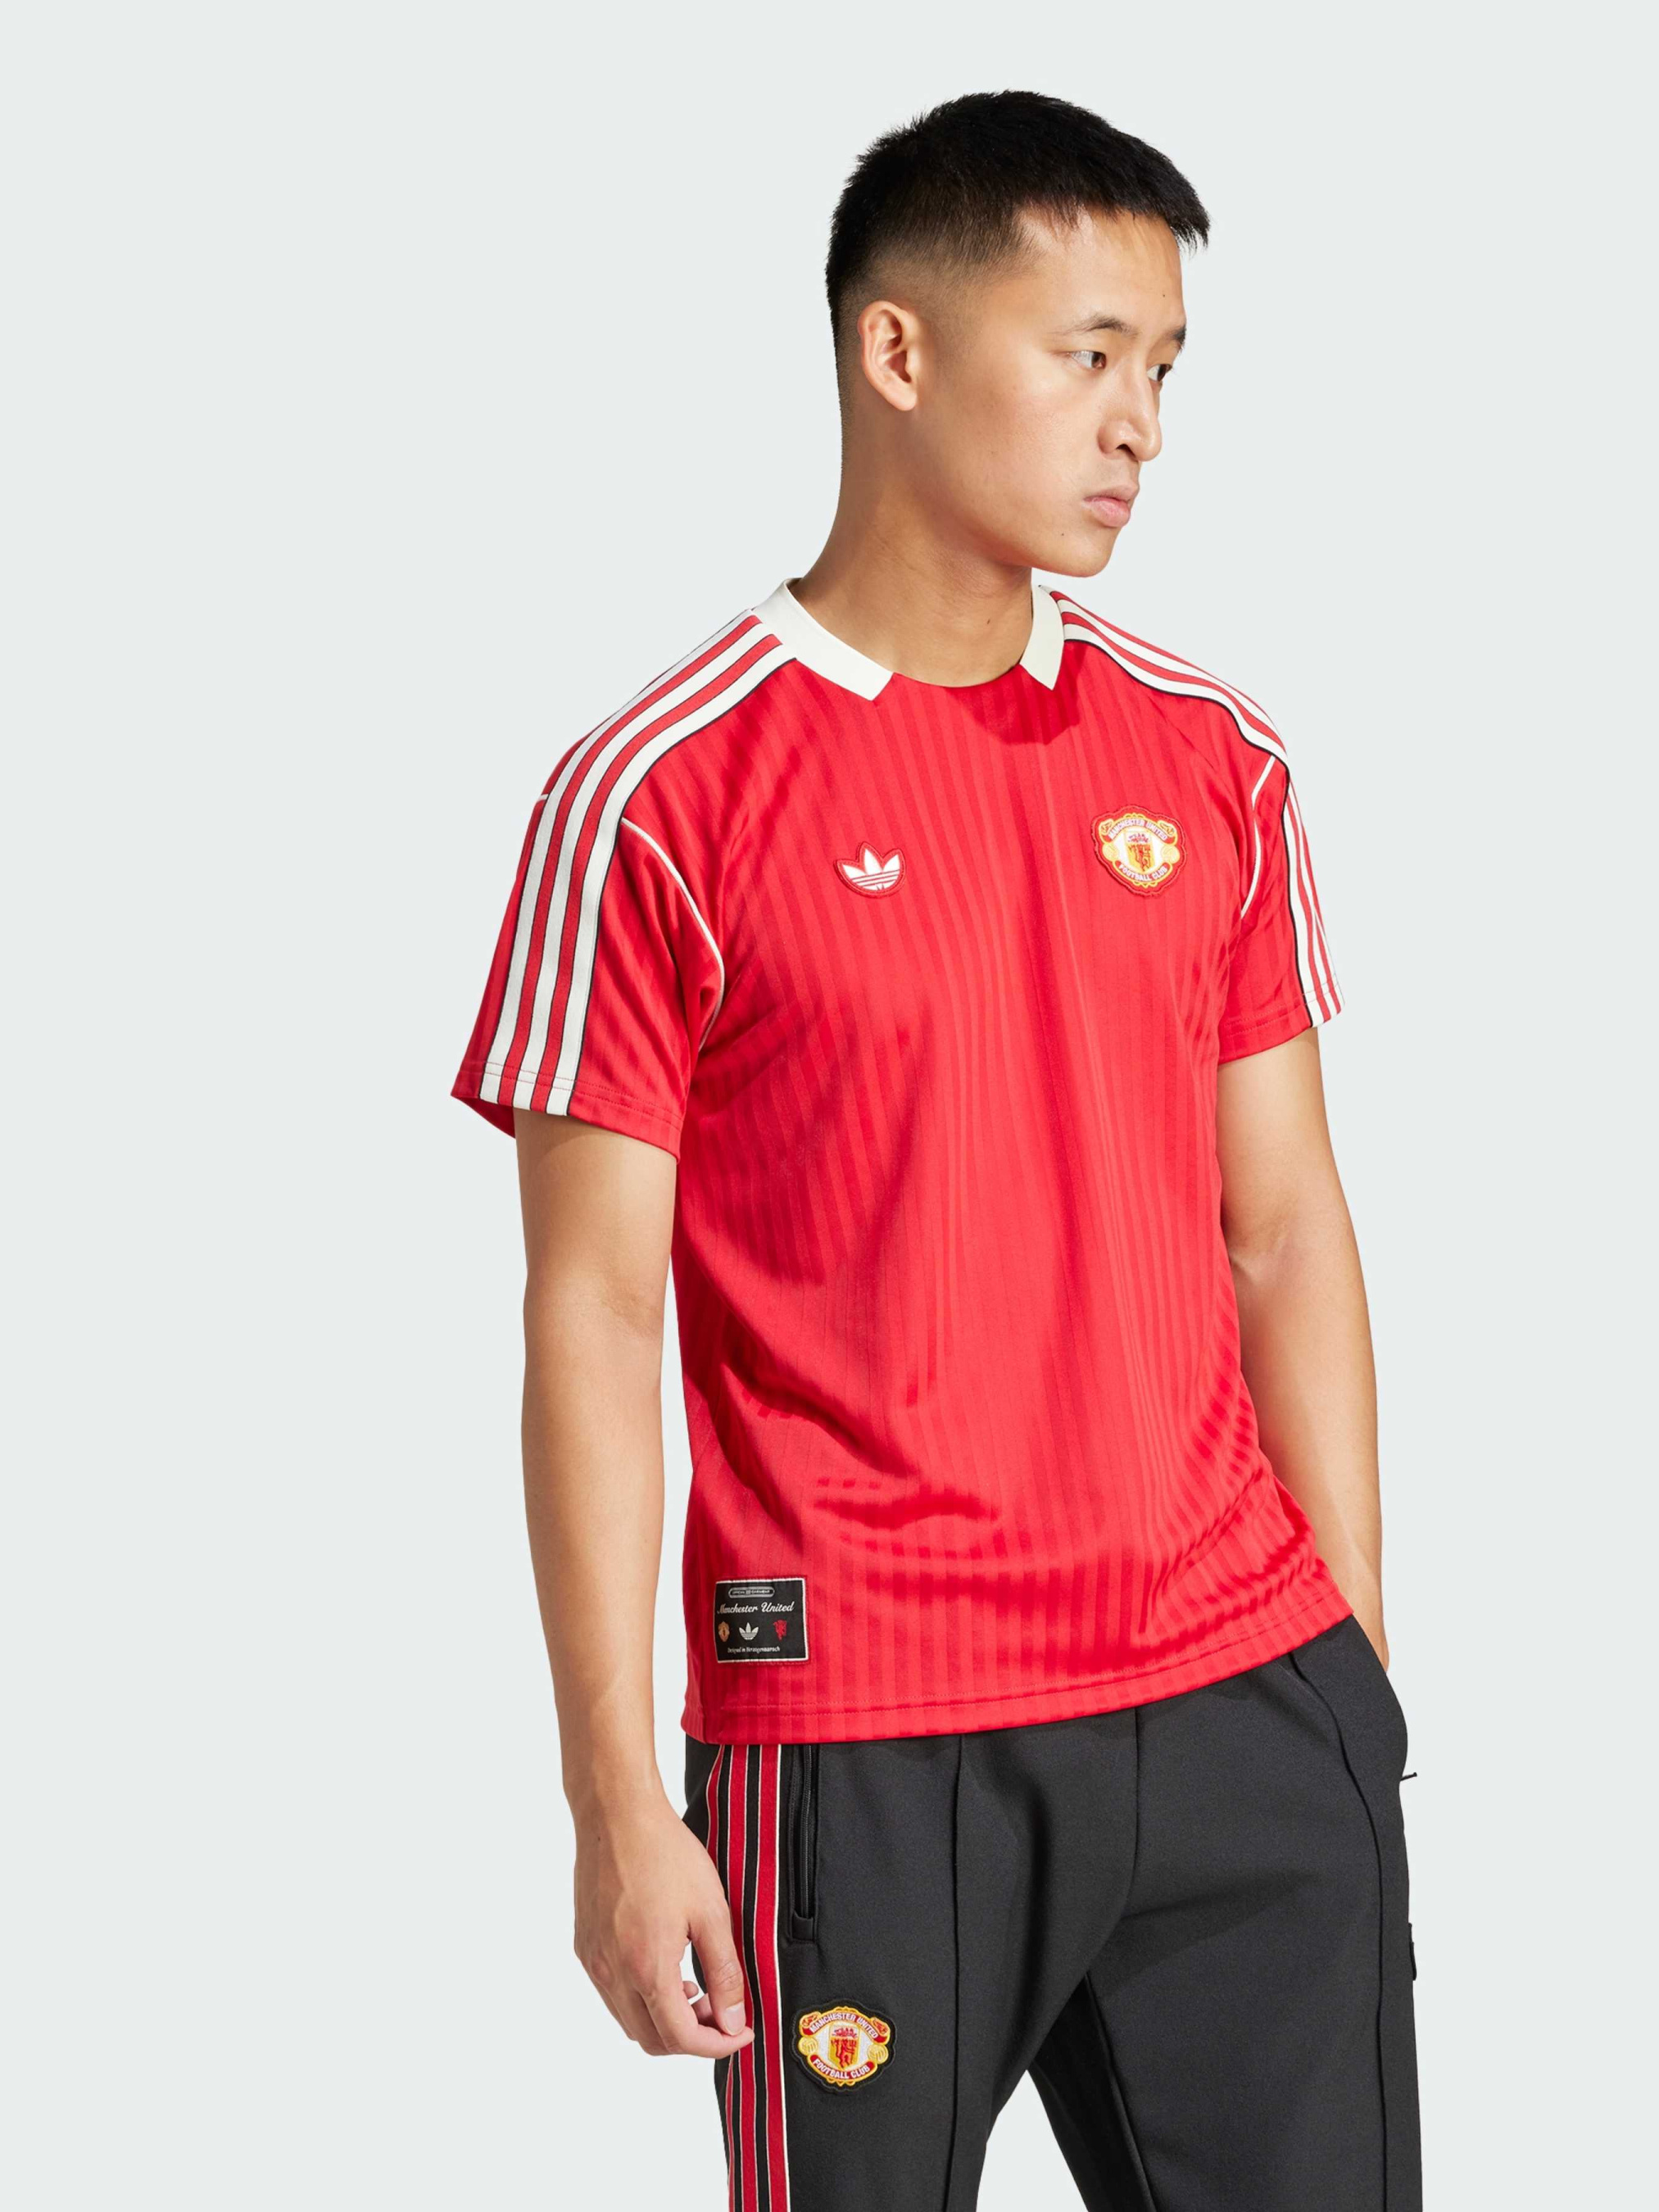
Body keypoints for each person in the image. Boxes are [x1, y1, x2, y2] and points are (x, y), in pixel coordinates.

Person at [452, 88, 1419, 2212]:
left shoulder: (1214, 758)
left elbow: (1282, 1227)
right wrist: (616, 1805)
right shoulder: (659, 795)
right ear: (897, 351)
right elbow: (592, 1313)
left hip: (1243, 1702)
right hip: (866, 1732)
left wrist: (1348, 1666)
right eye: (1087, 353)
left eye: (1164, 367)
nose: (1138, 424)